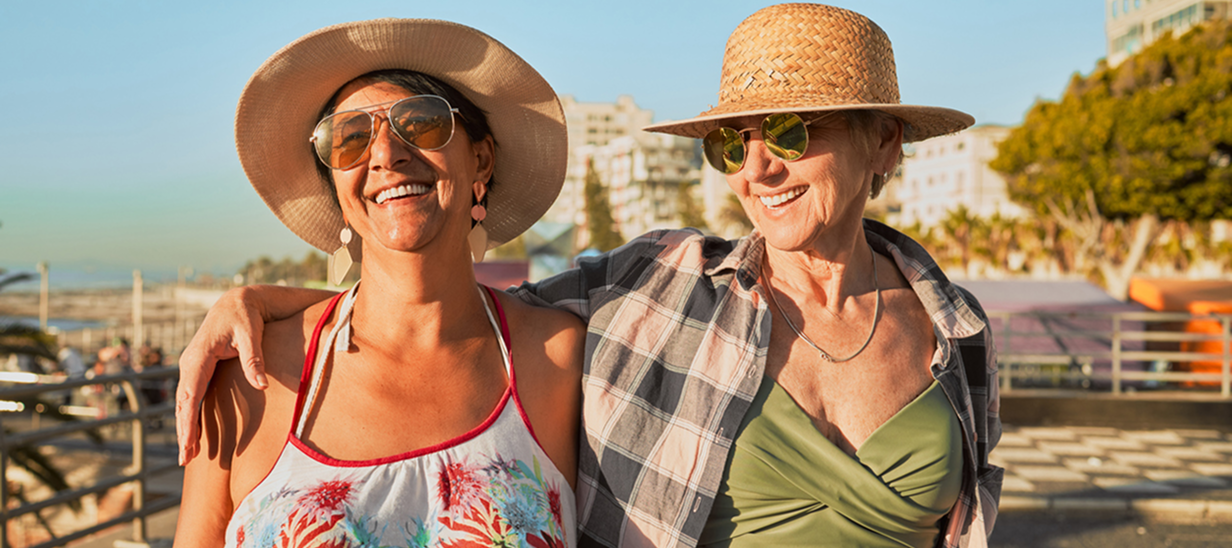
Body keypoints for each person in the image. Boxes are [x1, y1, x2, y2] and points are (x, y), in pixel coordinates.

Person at [177, 5, 1001, 547]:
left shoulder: (956, 330)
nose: (758, 168)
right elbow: (434, 310)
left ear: (884, 142)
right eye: (732, 143)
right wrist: (263, 304)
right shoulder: (659, 288)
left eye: (791, 131)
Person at [171, 18, 583, 548]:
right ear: (336, 186)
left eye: (422, 123)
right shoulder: (250, 375)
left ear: (480, 160)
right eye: (349, 138)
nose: (386, 154)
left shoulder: (560, 360)